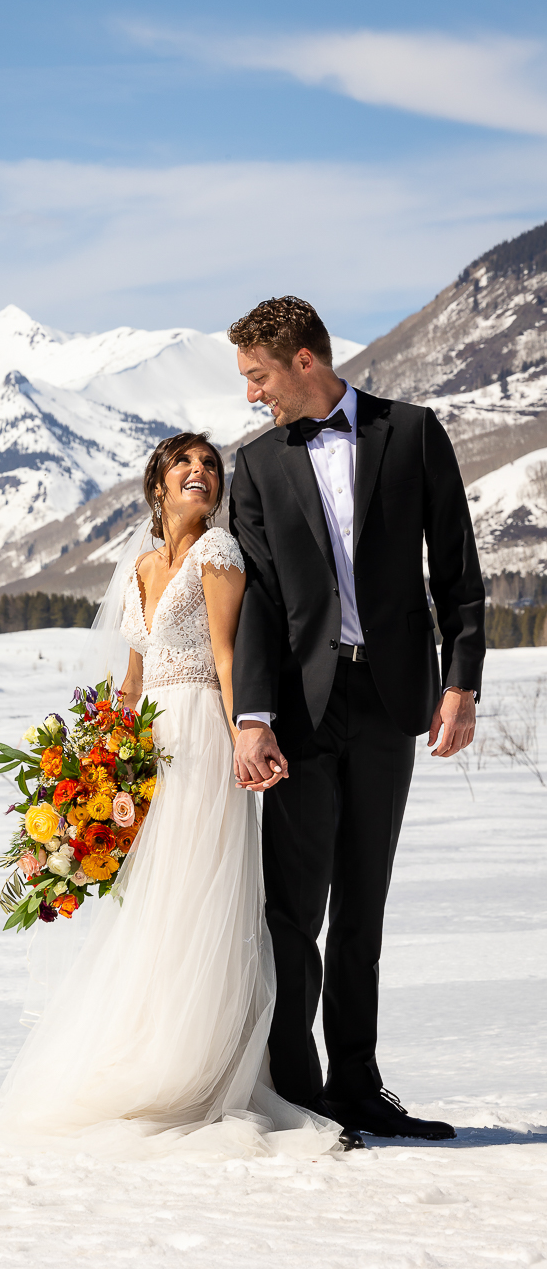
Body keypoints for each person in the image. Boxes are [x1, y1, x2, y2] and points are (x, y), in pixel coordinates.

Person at [0, 432, 344, 1160]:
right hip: (149, 746)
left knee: (200, 894)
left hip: (205, 738)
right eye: (184, 463)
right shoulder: (138, 568)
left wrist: (248, 735)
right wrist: (97, 774)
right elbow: (129, 681)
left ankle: (202, 1066)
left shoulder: (217, 556)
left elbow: (226, 656)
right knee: (154, 901)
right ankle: (147, 1045)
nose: (200, 472)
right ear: (157, 484)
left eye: (210, 466)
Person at [228, 296, 485, 1141]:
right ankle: (300, 1093)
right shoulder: (257, 464)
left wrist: (461, 682)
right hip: (297, 713)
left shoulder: (411, 433)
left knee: (363, 901)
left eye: (258, 376)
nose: (253, 395)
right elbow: (258, 605)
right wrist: (252, 716)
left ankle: (359, 1086)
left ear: (303, 360)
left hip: (388, 702)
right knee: (292, 909)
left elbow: (454, 570)